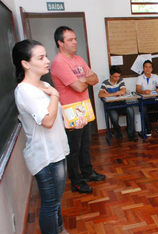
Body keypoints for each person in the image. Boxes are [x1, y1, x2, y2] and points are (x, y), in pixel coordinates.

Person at [12, 39, 77, 234]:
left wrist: (71, 121)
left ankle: (61, 231)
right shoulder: (25, 90)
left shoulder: (44, 84)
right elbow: (47, 121)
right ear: (26, 63)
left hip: (57, 150)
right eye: (41, 57)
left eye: (46, 56)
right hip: (45, 156)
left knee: (56, 200)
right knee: (50, 204)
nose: (47, 60)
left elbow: (56, 118)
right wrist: (56, 95)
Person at [51, 26, 105, 194]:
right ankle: (76, 181)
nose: (75, 42)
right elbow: (79, 86)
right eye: (70, 40)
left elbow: (95, 78)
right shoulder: (59, 63)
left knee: (85, 145)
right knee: (74, 148)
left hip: (84, 108)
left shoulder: (78, 59)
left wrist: (83, 79)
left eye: (75, 39)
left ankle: (88, 172)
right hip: (71, 111)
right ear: (60, 43)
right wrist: (83, 79)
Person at [98, 66, 138, 141]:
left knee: (130, 110)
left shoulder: (121, 81)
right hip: (111, 106)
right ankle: (118, 130)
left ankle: (131, 132)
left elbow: (123, 91)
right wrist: (115, 93)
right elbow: (100, 95)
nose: (117, 78)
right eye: (115, 77)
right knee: (114, 116)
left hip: (122, 104)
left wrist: (109, 93)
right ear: (110, 75)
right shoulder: (105, 83)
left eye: (118, 76)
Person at [136, 60, 158, 136]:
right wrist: (144, 92)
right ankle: (148, 128)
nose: (148, 69)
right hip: (145, 101)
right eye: (146, 67)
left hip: (154, 100)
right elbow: (137, 89)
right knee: (143, 109)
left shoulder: (155, 76)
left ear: (152, 69)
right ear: (143, 68)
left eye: (149, 67)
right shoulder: (140, 77)